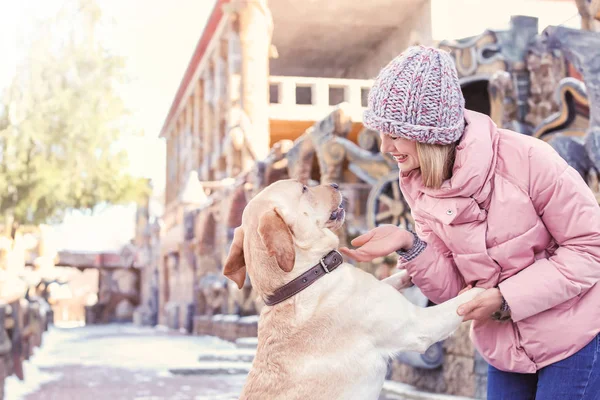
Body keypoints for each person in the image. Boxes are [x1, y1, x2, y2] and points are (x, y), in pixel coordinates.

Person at [340, 45, 600, 400]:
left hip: (577, 337)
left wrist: (505, 298)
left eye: (394, 133)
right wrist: (410, 245)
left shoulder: (529, 159)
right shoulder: (421, 186)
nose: (384, 146)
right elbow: (454, 291)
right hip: (504, 348)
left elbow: (590, 250)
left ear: (429, 135)